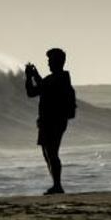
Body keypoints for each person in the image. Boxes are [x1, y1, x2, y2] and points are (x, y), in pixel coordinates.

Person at [25, 48, 77, 195]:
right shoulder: (56, 78)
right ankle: (56, 184)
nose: (48, 63)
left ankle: (57, 185)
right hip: (50, 122)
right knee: (47, 153)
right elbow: (39, 89)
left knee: (52, 153)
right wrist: (33, 76)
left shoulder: (59, 79)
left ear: (58, 62)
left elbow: (36, 90)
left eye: (50, 60)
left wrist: (31, 76)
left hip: (53, 122)